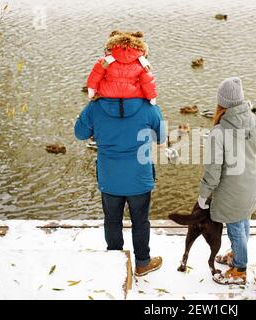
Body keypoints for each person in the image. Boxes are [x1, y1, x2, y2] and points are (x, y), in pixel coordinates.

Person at [74, 96, 165, 276]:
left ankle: (115, 263)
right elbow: (161, 136)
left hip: (110, 178)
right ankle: (142, 263)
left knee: (112, 220)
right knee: (140, 221)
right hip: (139, 177)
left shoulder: (95, 107)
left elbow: (79, 133)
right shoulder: (148, 107)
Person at [197, 77, 256, 285]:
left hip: (231, 191)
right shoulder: (253, 120)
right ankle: (236, 255)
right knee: (243, 221)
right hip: (249, 184)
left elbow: (213, 171)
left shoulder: (219, 132)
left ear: (221, 103)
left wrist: (203, 194)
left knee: (235, 228)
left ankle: (240, 269)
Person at [86, 30, 158, 105]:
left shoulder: (106, 61)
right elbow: (147, 81)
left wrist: (91, 90)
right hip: (132, 93)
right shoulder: (141, 63)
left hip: (107, 92)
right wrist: (152, 97)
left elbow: (96, 74)